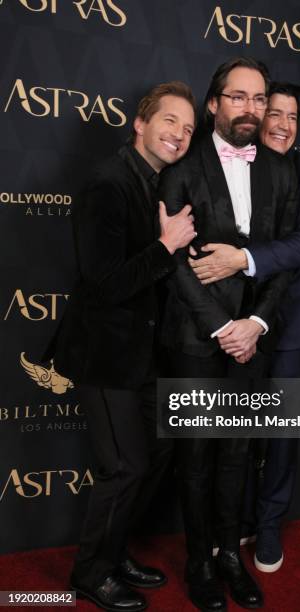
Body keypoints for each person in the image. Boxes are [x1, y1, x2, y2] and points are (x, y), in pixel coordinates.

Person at [45, 82, 197, 612]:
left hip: (142, 353)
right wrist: (165, 246)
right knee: (124, 465)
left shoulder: (153, 183)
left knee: (156, 451)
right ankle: (89, 574)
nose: (179, 133)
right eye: (169, 121)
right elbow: (104, 284)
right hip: (104, 354)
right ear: (140, 123)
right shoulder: (106, 184)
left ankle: (111, 552)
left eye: (187, 127)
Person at [160, 60, 299, 611]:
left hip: (251, 339)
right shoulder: (181, 167)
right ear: (213, 104)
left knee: (237, 457)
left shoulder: (282, 171)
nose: (250, 108)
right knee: (195, 460)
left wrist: (256, 324)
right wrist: (221, 326)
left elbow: (284, 259)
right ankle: (197, 563)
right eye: (237, 97)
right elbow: (172, 264)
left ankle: (227, 558)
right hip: (195, 338)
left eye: (258, 98)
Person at [187, 81, 300, 574]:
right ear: (255, 115)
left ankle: (269, 523)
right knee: (237, 428)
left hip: (294, 323)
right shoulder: (232, 162)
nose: (284, 124)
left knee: (283, 431)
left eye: (293, 117)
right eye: (276, 112)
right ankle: (234, 523)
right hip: (235, 323)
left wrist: (242, 259)